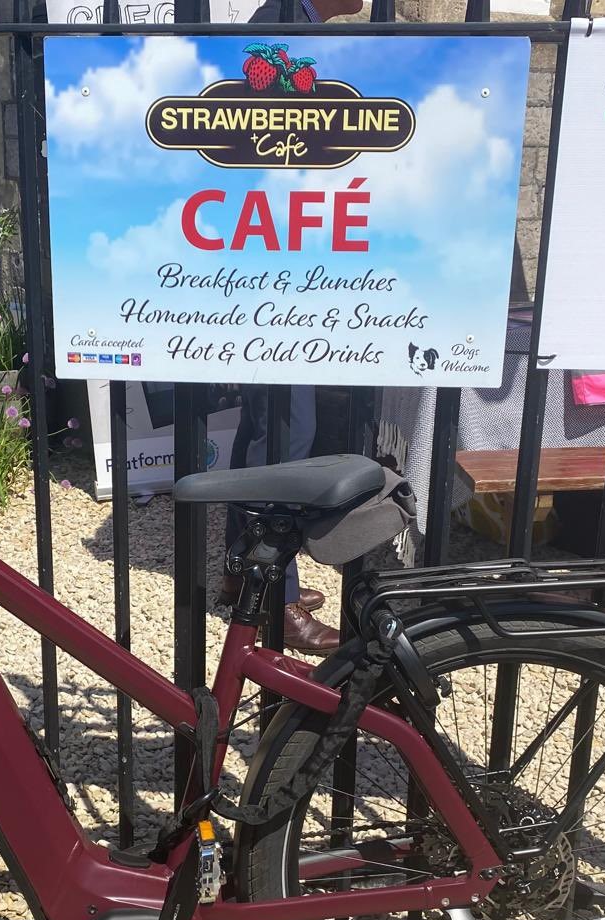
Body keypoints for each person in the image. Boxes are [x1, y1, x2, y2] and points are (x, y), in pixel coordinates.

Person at [218, 0, 366, 656]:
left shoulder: (297, 27)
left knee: (263, 428)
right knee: (286, 432)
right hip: (272, 274)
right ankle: (273, 601)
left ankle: (245, 575)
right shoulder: (278, 28)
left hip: (287, 264)